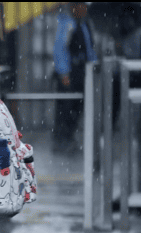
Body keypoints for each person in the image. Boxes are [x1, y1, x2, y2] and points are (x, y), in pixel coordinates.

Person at [53, 2, 97, 151]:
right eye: (81, 6)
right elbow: (60, 49)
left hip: (82, 72)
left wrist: (93, 65)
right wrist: (64, 73)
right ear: (74, 7)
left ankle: (69, 137)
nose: (84, 9)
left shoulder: (85, 25)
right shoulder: (67, 24)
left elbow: (90, 49)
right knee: (66, 108)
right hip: (71, 73)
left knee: (78, 106)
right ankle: (62, 140)